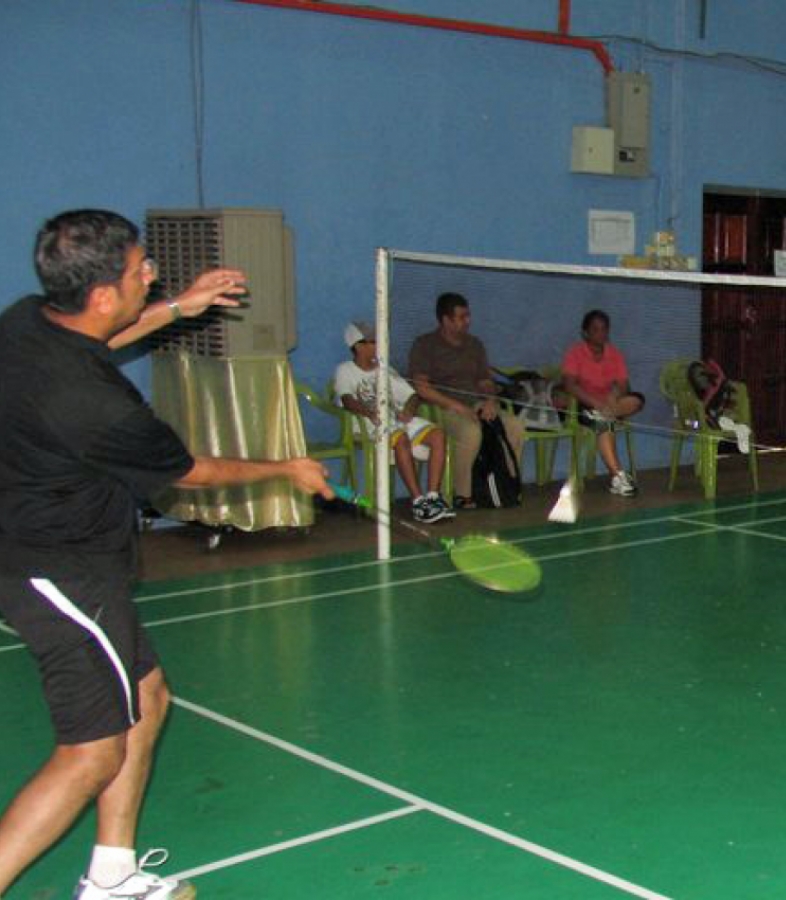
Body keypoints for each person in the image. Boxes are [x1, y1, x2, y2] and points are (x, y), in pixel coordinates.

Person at [0, 210, 332, 900]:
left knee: (147, 700)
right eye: (140, 271)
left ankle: (111, 878)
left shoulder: (29, 320)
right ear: (99, 292)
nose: (151, 273)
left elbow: (111, 333)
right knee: (91, 752)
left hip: (50, 550)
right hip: (58, 569)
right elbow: (190, 473)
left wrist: (178, 306)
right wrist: (287, 469)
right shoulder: (93, 405)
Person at [407, 292, 525, 509]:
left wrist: (490, 400)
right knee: (471, 431)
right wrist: (457, 406)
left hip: (477, 404)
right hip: (443, 408)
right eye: (461, 317)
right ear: (445, 320)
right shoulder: (425, 345)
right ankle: (462, 494)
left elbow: (485, 382)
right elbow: (422, 388)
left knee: (515, 427)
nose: (467, 321)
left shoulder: (475, 345)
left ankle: (507, 484)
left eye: (468, 316)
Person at [333, 322, 454, 523]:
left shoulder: (385, 369)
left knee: (438, 435)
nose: (378, 345)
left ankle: (433, 497)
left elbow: (412, 395)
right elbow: (347, 399)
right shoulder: (345, 370)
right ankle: (418, 502)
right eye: (372, 342)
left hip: (395, 419)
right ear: (358, 346)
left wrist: (409, 409)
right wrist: (368, 412)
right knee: (401, 439)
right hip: (369, 424)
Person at [560, 309, 645, 496]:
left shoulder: (615, 354)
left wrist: (613, 397)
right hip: (583, 406)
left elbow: (623, 384)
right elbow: (570, 385)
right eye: (596, 329)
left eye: (604, 329)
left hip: (609, 405)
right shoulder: (575, 353)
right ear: (585, 332)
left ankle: (605, 414)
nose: (601, 334)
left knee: (637, 400)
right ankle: (617, 476)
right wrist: (595, 403)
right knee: (604, 423)